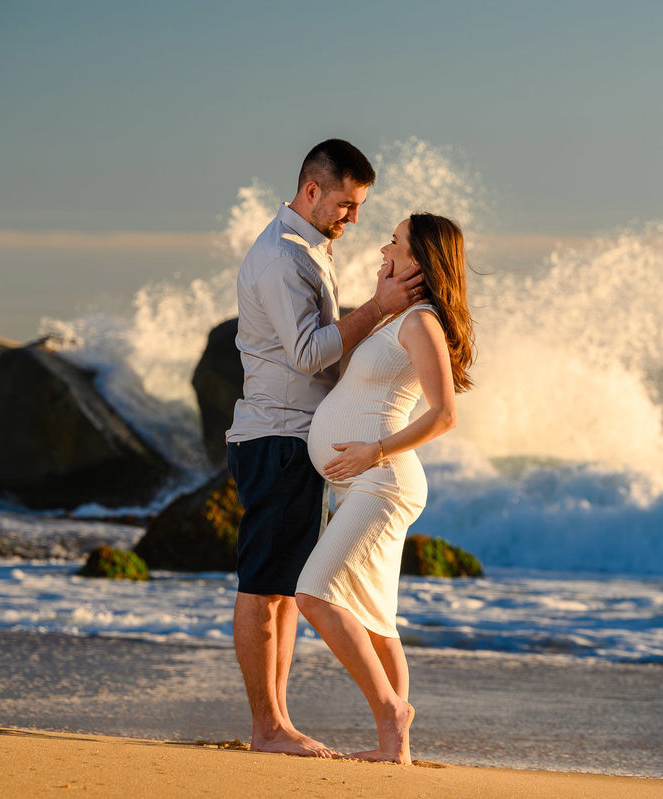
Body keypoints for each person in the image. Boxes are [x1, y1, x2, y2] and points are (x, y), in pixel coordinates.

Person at [225, 139, 427, 758]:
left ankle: (277, 723)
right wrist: (380, 307)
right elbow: (311, 353)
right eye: (345, 204)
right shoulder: (284, 257)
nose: (354, 219)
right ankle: (268, 728)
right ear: (311, 190)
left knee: (284, 587)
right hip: (277, 439)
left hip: (292, 441)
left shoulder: (311, 248)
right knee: (265, 587)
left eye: (361, 207)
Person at [295, 212, 475, 765]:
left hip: (383, 480)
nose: (383, 245)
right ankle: (395, 745)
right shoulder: (400, 316)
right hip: (362, 485)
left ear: (418, 259)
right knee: (375, 617)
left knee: (314, 594)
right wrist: (378, 299)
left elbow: (445, 416)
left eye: (394, 241)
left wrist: (374, 451)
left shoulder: (422, 323)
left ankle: (390, 713)